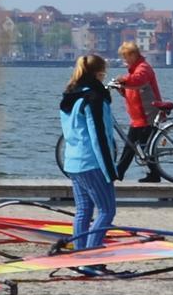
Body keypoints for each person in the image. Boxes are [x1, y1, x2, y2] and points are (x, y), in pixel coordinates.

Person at [58, 54, 123, 276]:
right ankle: (91, 259)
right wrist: (110, 169)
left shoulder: (70, 95)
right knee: (107, 210)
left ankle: (80, 257)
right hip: (91, 162)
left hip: (73, 162)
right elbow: (99, 136)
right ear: (99, 73)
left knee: (83, 211)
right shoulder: (94, 98)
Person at [109, 41, 166, 182]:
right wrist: (120, 88)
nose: (124, 60)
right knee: (134, 146)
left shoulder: (143, 69)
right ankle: (123, 172)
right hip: (138, 116)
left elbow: (137, 81)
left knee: (140, 146)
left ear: (133, 55)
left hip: (147, 114)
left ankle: (120, 172)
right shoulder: (133, 70)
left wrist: (122, 79)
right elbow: (132, 91)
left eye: (125, 56)